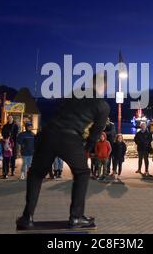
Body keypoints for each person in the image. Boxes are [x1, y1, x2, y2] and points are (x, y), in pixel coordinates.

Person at [16, 73, 110, 230]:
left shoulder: (73, 93)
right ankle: (76, 217)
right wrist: (86, 148)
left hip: (48, 134)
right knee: (82, 173)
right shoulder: (102, 105)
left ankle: (27, 217)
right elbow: (96, 132)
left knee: (36, 174)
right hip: (71, 138)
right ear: (104, 86)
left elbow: (57, 111)